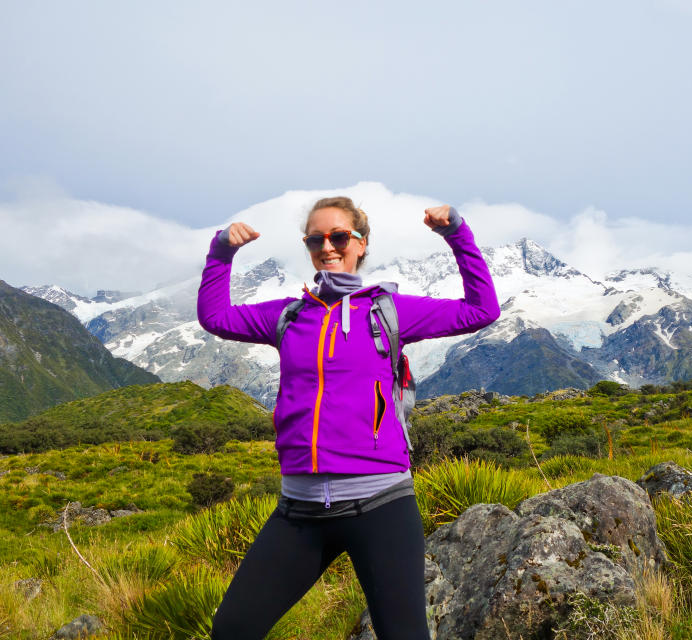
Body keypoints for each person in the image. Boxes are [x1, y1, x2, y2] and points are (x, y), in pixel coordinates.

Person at [197, 196, 500, 639]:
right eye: (315, 239)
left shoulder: (387, 310)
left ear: (360, 243)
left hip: (380, 505)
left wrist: (456, 234)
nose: (327, 246)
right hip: (298, 510)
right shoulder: (288, 315)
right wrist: (222, 251)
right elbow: (216, 317)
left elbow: (482, 309)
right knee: (233, 629)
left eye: (338, 236)